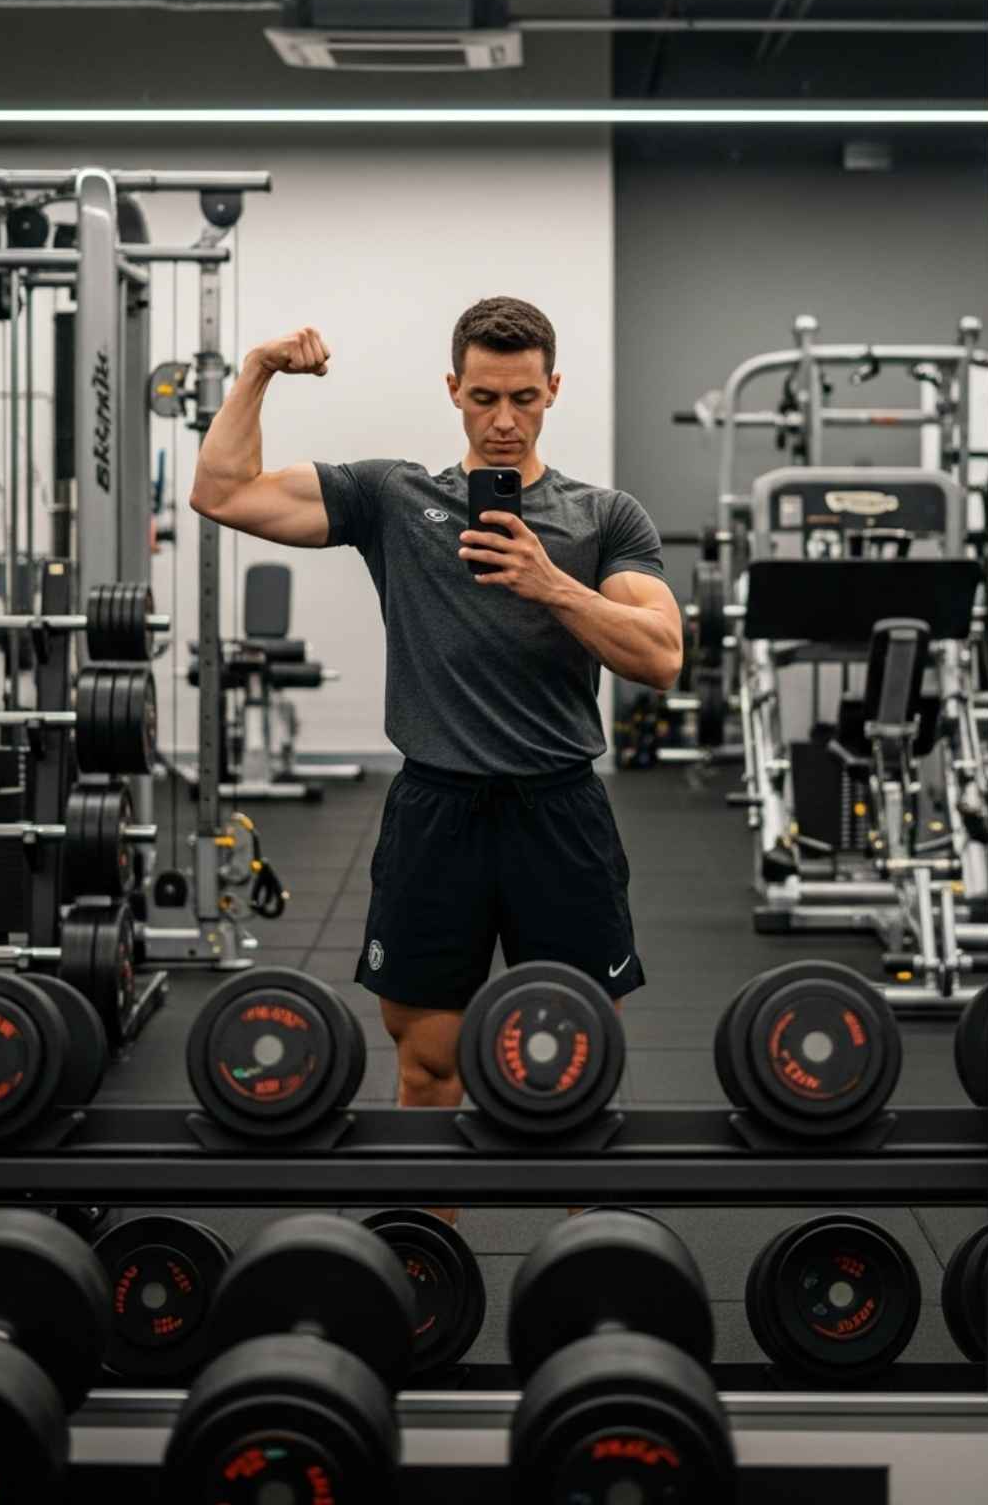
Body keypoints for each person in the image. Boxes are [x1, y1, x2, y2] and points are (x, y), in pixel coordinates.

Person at [190, 296, 684, 1218]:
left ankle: (600, 1295)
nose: (504, 421)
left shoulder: (604, 516)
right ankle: (425, 1291)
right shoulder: (392, 497)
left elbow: (659, 656)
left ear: (553, 393)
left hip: (560, 815)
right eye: (486, 397)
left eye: (525, 399)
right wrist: (255, 369)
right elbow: (222, 493)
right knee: (426, 1073)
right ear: (454, 390)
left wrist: (550, 583)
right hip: (436, 815)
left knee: (576, 1077)